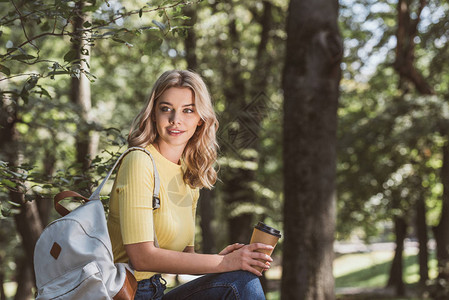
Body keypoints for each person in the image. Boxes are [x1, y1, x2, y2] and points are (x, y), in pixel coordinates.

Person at [107, 70, 272, 300]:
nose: (176, 119)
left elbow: (187, 257)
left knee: (240, 279)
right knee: (240, 283)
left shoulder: (189, 173)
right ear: (153, 114)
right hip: (128, 293)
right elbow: (141, 258)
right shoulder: (139, 161)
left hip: (157, 291)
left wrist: (226, 260)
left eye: (188, 110)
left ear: (200, 119)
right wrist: (225, 262)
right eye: (166, 109)